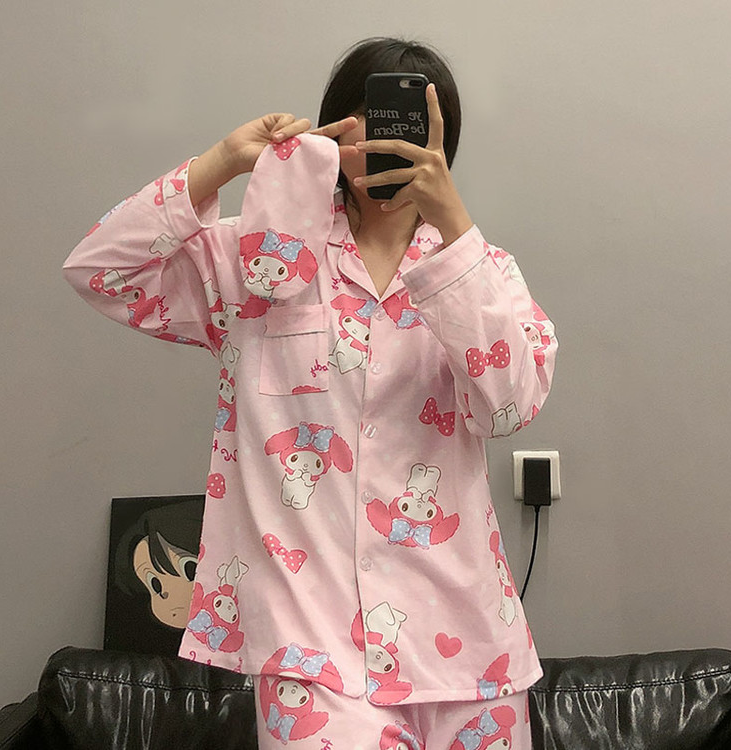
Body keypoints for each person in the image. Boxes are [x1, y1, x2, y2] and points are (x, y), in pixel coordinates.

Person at [64, 36, 557, 750]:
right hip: (310, 648)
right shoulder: (260, 261)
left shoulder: (485, 273)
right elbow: (100, 270)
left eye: (407, 125)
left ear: (440, 142)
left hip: (469, 647)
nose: (382, 142)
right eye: (365, 121)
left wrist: (455, 226)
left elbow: (510, 405)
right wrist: (222, 161)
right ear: (333, 128)